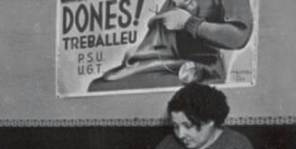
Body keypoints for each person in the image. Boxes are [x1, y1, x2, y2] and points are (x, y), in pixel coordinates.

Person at [89, 0, 254, 91]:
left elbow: (239, 36)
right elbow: (162, 33)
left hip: (199, 68)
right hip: (163, 62)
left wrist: (189, 23)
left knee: (104, 87)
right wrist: (140, 51)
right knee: (100, 85)